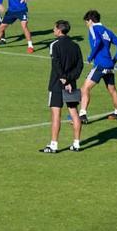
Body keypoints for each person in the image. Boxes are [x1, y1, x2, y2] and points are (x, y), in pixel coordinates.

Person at [41, 20, 83, 153]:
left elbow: (56, 64)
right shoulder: (75, 46)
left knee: (56, 115)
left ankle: (53, 145)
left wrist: (64, 78)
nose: (53, 30)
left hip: (57, 84)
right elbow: (79, 65)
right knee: (74, 113)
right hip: (72, 83)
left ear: (59, 30)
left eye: (54, 28)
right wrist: (71, 79)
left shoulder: (54, 45)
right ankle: (76, 144)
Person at [78, 10, 117, 123]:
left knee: (85, 88)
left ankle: (82, 115)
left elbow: (98, 41)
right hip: (109, 64)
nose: (86, 24)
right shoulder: (107, 31)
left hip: (100, 64)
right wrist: (114, 60)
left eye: (86, 22)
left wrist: (91, 56)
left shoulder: (93, 28)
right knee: (112, 89)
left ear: (90, 21)